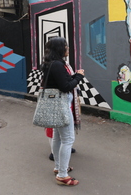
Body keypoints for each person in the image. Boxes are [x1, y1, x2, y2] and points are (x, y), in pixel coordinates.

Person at [41, 37, 84, 186]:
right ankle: (62, 175)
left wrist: (74, 76)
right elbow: (66, 86)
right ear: (59, 49)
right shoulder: (58, 65)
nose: (67, 49)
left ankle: (59, 167)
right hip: (62, 106)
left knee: (58, 137)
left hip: (55, 105)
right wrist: (79, 76)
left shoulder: (49, 64)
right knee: (67, 140)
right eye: (65, 46)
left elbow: (61, 82)